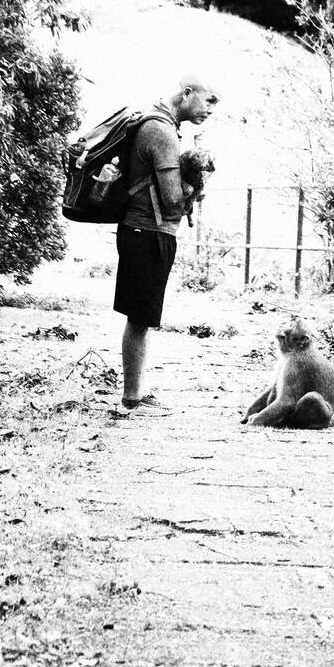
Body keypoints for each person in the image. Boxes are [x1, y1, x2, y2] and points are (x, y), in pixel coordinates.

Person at [113, 78, 219, 416]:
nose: (210, 109)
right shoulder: (161, 131)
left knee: (141, 317)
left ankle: (136, 393)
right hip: (147, 232)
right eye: (208, 100)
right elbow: (173, 200)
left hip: (144, 231)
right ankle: (131, 399)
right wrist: (197, 187)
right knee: (139, 317)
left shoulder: (161, 125)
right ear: (186, 93)